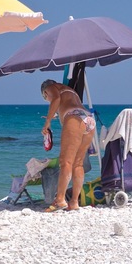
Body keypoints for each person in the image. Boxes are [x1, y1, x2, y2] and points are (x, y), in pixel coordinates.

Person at [40, 79, 96, 212]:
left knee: (65, 162)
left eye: (45, 97)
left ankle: (59, 200)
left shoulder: (51, 87)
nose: (47, 99)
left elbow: (56, 99)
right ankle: (74, 202)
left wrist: (47, 122)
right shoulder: (72, 92)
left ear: (45, 92)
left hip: (74, 117)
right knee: (78, 164)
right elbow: (62, 101)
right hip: (89, 119)